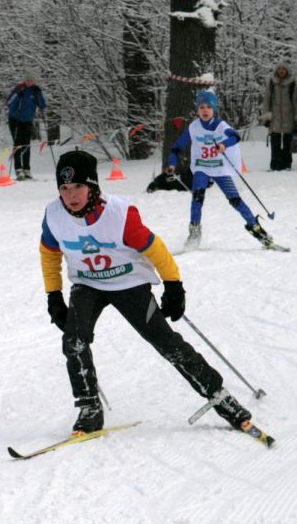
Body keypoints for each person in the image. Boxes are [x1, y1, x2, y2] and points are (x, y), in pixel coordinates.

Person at [39, 149, 255, 435]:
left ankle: (219, 396)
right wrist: (54, 296)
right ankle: (89, 407)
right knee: (74, 341)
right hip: (88, 284)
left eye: (78, 186)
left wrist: (174, 286)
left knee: (165, 341)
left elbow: (156, 249)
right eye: (64, 188)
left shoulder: (119, 214)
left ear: (92, 186)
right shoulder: (54, 215)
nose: (71, 195)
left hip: (129, 283)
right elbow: (49, 254)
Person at [167, 90, 282, 251]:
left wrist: (224, 145)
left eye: (208, 107)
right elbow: (176, 148)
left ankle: (258, 230)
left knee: (235, 200)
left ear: (214, 109)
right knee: (197, 198)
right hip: (202, 167)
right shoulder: (193, 127)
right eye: (201, 107)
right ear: (197, 110)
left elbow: (235, 136)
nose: (205, 110)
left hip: (219, 168)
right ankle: (194, 233)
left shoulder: (220, 125)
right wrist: (172, 164)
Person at [259, 62, 297, 171]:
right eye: (279, 68)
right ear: (276, 70)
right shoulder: (272, 82)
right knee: (275, 142)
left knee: (288, 142)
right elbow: (267, 99)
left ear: (287, 70)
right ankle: (275, 165)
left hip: (289, 116)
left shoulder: (292, 83)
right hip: (275, 117)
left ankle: (287, 164)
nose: (281, 71)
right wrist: (266, 116)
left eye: (284, 69)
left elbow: (295, 101)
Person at [6, 71, 47, 181]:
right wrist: (18, 95)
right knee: (18, 144)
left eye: (31, 80)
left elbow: (43, 105)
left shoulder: (35, 90)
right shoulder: (19, 88)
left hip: (28, 120)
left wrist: (39, 93)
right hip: (15, 119)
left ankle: (26, 169)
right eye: (28, 80)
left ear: (34, 81)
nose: (29, 82)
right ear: (25, 80)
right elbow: (9, 103)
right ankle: (18, 169)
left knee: (26, 145)